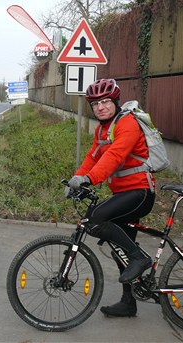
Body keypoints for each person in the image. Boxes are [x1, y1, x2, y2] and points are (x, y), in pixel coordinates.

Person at [66, 79, 156, 317]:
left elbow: (114, 157)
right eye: (95, 104)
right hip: (123, 193)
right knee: (121, 248)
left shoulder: (127, 124)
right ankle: (129, 302)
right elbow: (92, 158)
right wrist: (76, 179)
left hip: (139, 193)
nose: (100, 107)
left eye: (105, 102)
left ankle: (141, 258)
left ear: (115, 102)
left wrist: (89, 179)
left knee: (95, 219)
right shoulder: (102, 130)